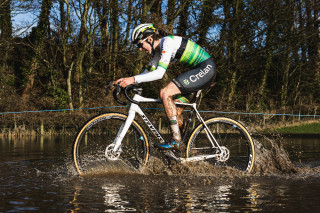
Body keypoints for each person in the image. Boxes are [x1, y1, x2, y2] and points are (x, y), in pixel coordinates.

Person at [116, 23, 216, 150]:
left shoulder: (167, 42)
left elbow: (159, 74)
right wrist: (126, 80)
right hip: (198, 72)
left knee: (165, 92)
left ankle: (177, 140)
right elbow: (148, 73)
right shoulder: (156, 52)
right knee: (173, 110)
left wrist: (132, 80)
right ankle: (188, 147)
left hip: (205, 68)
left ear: (150, 39)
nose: (140, 49)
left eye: (140, 44)